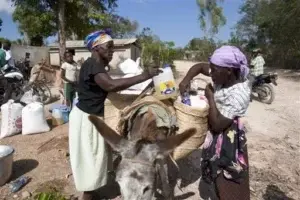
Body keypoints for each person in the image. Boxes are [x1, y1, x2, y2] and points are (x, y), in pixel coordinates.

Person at [69, 30, 161, 200]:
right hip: (85, 119)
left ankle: (93, 192)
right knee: (91, 161)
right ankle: (87, 196)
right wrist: (145, 75)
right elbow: (111, 85)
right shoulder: (93, 64)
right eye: (108, 47)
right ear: (96, 48)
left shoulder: (97, 66)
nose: (112, 51)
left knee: (96, 159)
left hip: (90, 117)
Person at [179, 45, 251, 200]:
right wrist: (186, 80)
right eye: (211, 68)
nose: (211, 74)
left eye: (214, 70)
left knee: (228, 175)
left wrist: (210, 96)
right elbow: (198, 67)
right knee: (213, 167)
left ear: (229, 70)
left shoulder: (239, 93)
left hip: (229, 136)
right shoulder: (222, 73)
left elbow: (218, 125)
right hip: (217, 129)